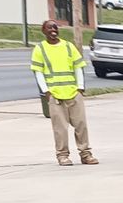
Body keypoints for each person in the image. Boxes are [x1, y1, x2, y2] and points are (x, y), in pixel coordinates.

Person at [30, 19, 96, 165]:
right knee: (60, 129)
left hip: (73, 93)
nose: (53, 30)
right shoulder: (40, 49)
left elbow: (78, 67)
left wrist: (80, 87)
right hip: (55, 95)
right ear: (44, 31)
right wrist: (46, 92)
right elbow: (38, 72)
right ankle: (62, 155)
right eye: (49, 28)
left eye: (55, 27)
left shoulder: (68, 46)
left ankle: (85, 154)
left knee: (81, 125)